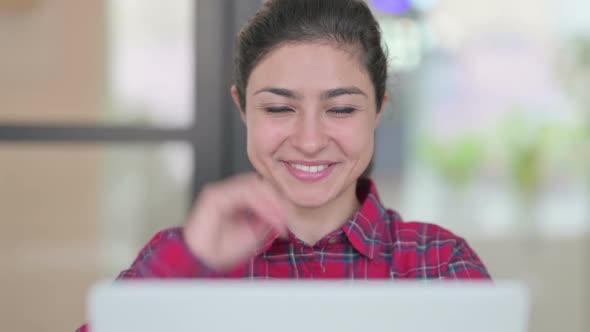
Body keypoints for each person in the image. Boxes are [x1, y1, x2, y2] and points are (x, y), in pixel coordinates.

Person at [77, 0, 489, 330]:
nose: (309, 142)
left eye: (342, 109)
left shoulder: (439, 264)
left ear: (379, 110)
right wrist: (188, 262)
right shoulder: (178, 259)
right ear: (242, 108)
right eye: (278, 107)